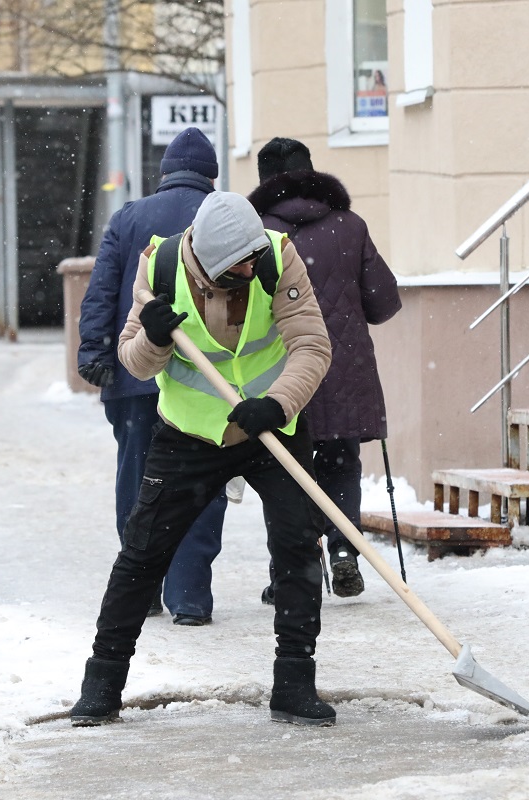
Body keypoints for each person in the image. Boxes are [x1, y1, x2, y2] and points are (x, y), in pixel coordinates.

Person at [69, 191, 336, 728]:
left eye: (253, 256)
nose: (251, 267)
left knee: (298, 551)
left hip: (272, 425)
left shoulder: (278, 258)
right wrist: (154, 336)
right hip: (190, 432)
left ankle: (294, 683)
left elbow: (312, 345)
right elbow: (136, 365)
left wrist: (278, 402)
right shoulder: (161, 266)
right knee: (143, 553)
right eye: (239, 264)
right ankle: (101, 683)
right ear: (209, 264)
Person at [77, 127, 228, 626]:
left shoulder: (128, 217)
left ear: (163, 175)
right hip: (204, 379)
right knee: (200, 482)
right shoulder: (223, 217)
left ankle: (140, 588)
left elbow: (100, 290)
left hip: (136, 373)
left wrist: (94, 349)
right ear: (212, 176)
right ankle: (189, 594)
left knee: (140, 480)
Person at [247, 137, 402, 600]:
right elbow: (384, 302)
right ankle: (344, 551)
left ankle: (291, 569)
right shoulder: (349, 226)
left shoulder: (255, 234)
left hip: (282, 369)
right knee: (340, 463)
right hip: (342, 368)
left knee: (285, 473)